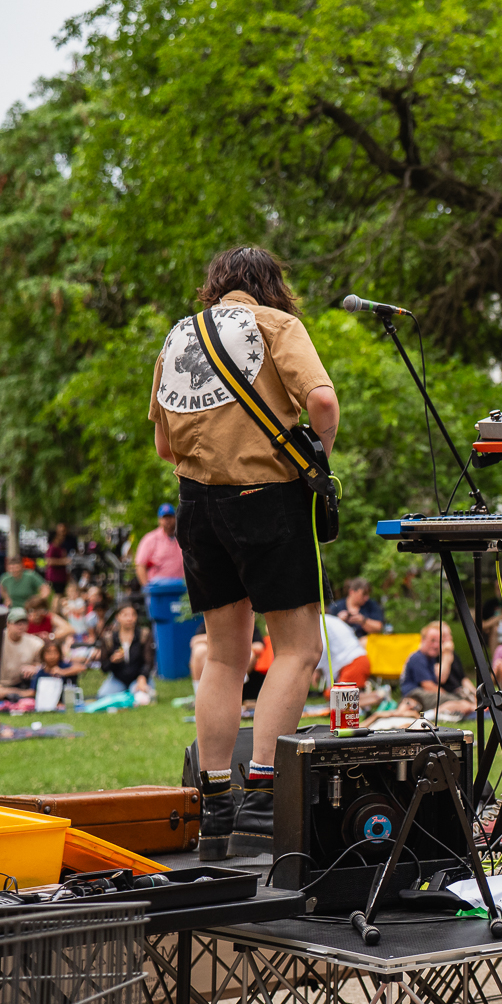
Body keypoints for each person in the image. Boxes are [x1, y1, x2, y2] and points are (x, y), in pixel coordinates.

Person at [149, 246, 338, 861]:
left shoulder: (179, 337)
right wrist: (320, 452)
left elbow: (163, 445)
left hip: (197, 506)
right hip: (266, 499)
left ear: (215, 285)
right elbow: (323, 402)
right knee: (299, 649)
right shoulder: (275, 324)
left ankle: (214, 808)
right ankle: (260, 798)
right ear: (270, 285)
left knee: (225, 657)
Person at [398, 622, 476, 719]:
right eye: (432, 641)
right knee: (460, 703)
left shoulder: (430, 659)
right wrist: (448, 696)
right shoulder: (418, 658)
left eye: (439, 642)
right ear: (423, 640)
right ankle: (427, 716)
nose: (435, 645)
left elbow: (462, 678)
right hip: (415, 695)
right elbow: (428, 686)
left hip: (424, 695)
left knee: (460, 703)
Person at [98, 605, 155, 700]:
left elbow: (149, 662)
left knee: (140, 698)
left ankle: (139, 689)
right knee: (102, 697)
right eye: (125, 615)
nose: (129, 618)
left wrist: (142, 677)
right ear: (117, 617)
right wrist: (113, 661)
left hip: (139, 677)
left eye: (133, 615)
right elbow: (104, 668)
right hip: (118, 679)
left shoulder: (144, 634)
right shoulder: (109, 638)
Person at [0, 609, 45, 707]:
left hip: (21, 684)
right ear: (8, 624)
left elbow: (47, 664)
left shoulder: (35, 643)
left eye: (24, 623)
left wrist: (36, 668)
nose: (21, 626)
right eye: (17, 623)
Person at [314, 612, 370, 689]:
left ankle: (381, 694)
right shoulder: (329, 619)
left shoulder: (319, 622)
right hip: (356, 660)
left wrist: (317, 669)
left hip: (353, 662)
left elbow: (321, 647)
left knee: (338, 694)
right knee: (338, 694)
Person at [134, 504, 186, 586]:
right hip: (158, 586)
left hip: (179, 586)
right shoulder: (150, 539)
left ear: (175, 518)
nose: (167, 520)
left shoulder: (183, 538)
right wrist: (147, 588)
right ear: (159, 520)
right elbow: (140, 565)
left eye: (170, 517)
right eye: (165, 518)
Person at [45, 523, 75, 590]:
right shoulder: (52, 548)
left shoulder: (61, 548)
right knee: (57, 594)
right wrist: (64, 561)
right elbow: (48, 561)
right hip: (55, 577)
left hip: (62, 577)